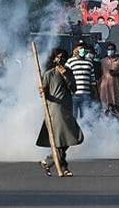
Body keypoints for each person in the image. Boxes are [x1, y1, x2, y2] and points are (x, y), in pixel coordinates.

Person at [37, 48, 83, 177]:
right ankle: (63, 167)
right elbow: (44, 93)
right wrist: (42, 91)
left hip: (67, 108)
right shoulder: (49, 74)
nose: (60, 59)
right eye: (58, 57)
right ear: (54, 59)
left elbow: (74, 89)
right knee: (62, 139)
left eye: (63, 57)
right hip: (55, 110)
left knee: (69, 137)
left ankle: (48, 161)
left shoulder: (69, 72)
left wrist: (66, 76)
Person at [67, 43, 97, 119]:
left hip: (86, 95)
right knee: (73, 117)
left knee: (85, 118)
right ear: (75, 50)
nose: (82, 50)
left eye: (84, 48)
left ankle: (84, 127)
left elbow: (92, 80)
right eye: (80, 48)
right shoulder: (70, 61)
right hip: (74, 95)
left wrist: (95, 93)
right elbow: (66, 76)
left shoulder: (89, 62)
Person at [99, 43, 119, 116]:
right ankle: (105, 121)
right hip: (104, 87)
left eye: (112, 49)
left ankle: (115, 121)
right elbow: (99, 73)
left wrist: (116, 74)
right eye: (109, 49)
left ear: (115, 50)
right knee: (105, 106)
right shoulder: (103, 61)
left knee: (115, 106)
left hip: (115, 87)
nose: (110, 51)